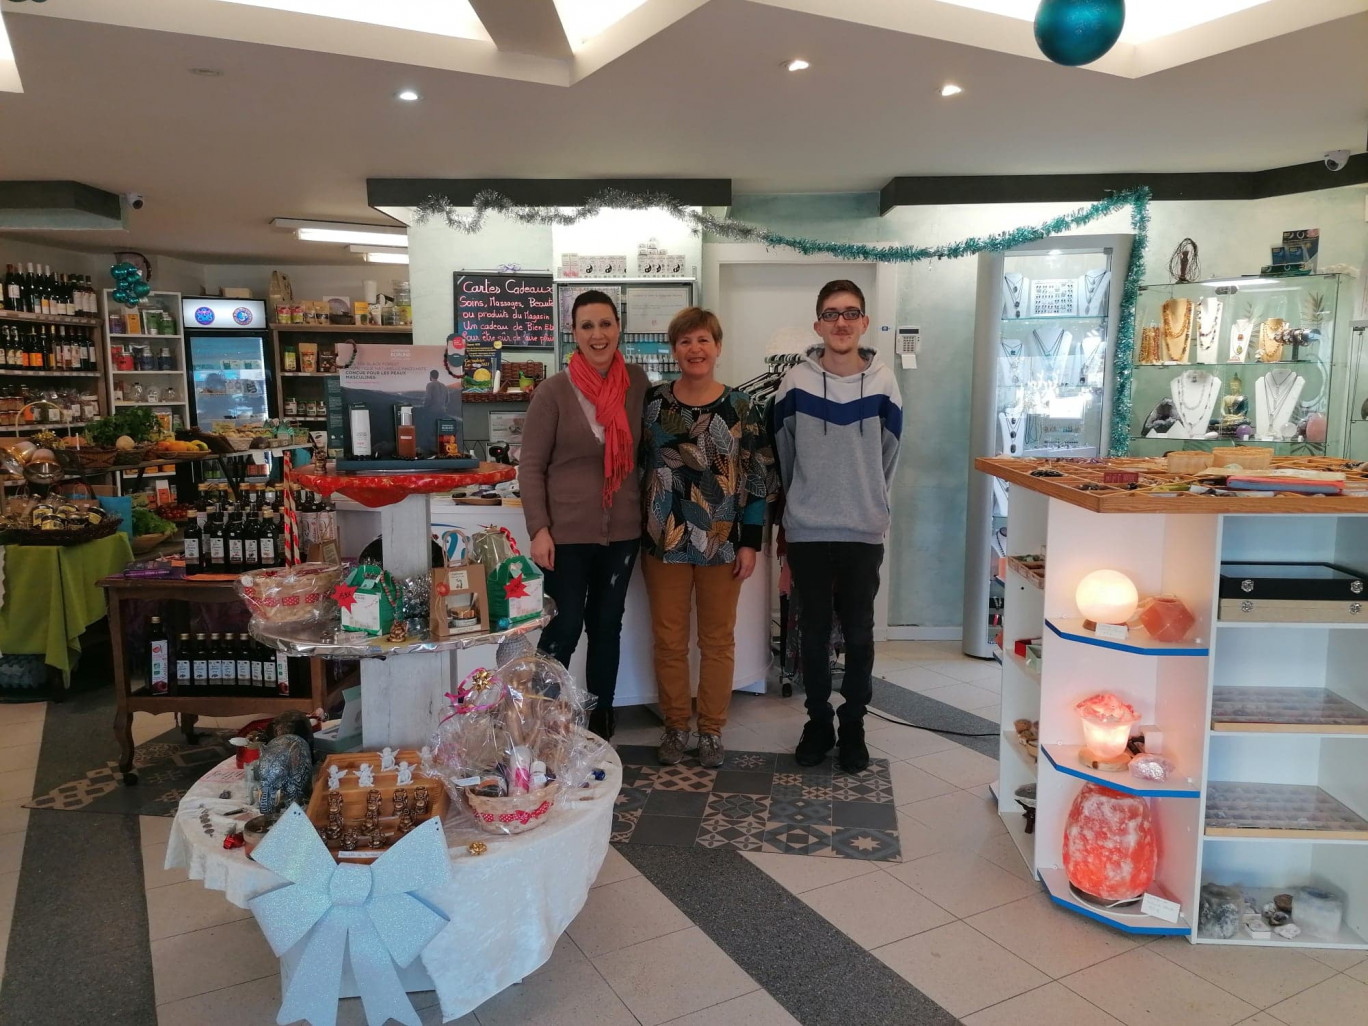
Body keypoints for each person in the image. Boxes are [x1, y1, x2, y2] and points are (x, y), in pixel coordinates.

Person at [772, 279, 902, 772]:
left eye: (850, 313)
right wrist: (808, 499)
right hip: (808, 530)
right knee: (813, 634)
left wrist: (864, 498)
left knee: (860, 634)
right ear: (818, 324)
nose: (841, 322)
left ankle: (854, 724)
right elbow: (786, 457)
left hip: (862, 531)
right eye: (831, 314)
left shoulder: (886, 383)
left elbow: (888, 456)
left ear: (864, 322)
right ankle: (817, 721)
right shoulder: (795, 384)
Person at [640, 307, 774, 768]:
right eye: (685, 341)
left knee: (718, 641)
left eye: (703, 340)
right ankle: (677, 725)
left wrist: (751, 541)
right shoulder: (653, 403)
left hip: (722, 542)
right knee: (669, 639)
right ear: (674, 349)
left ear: (717, 346)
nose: (694, 349)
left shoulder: (743, 408)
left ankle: (711, 730)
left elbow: (758, 478)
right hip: (664, 541)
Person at [520, 290, 648, 740]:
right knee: (565, 625)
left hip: (623, 532)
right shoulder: (553, 392)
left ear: (618, 328)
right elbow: (531, 466)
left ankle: (601, 715)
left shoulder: (638, 384)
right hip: (566, 534)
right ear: (573, 333)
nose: (598, 334)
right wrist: (539, 529)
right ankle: (541, 716)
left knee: (607, 625)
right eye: (587, 326)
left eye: (606, 324)